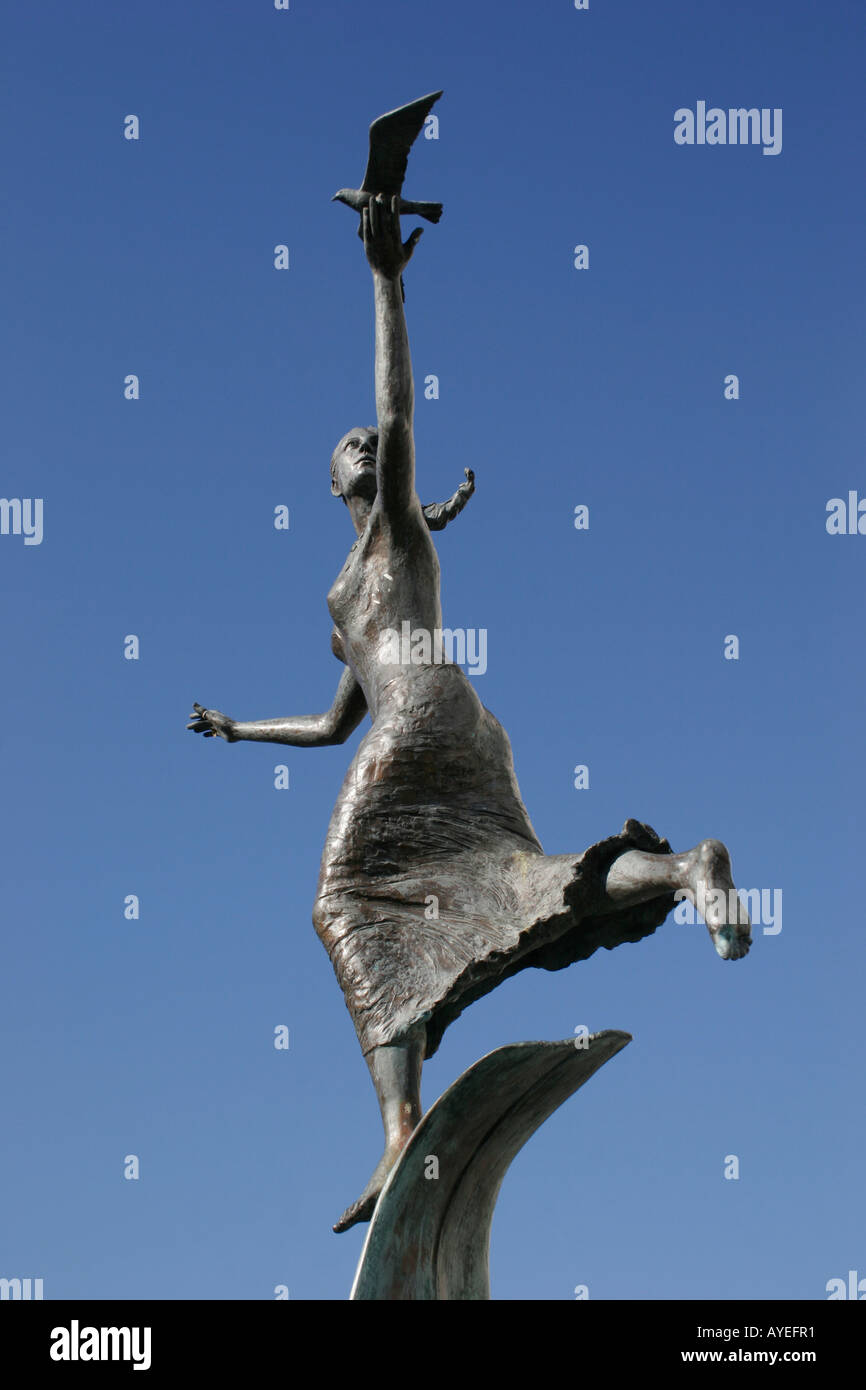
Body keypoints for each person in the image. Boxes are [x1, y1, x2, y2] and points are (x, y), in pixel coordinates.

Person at [188, 194, 751, 1233]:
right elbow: (326, 728)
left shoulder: (396, 531)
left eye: (368, 446)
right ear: (327, 484)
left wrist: (384, 280)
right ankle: (685, 868)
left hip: (424, 727)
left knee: (341, 900)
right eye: (347, 449)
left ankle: (399, 1126)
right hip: (457, 733)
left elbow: (398, 409)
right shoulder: (340, 598)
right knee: (519, 879)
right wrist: (238, 731)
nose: (363, 446)